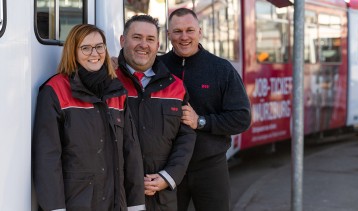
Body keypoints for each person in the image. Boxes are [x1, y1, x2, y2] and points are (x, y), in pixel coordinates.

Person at [32, 24, 145, 211]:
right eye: (85, 48)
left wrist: (136, 205)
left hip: (115, 203)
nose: (95, 53)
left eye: (99, 46)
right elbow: (47, 157)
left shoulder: (116, 91)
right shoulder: (55, 90)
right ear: (73, 51)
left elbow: (130, 152)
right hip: (76, 203)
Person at [159, 8, 251, 211]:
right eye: (177, 31)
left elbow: (242, 118)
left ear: (200, 32)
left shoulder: (221, 69)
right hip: (167, 167)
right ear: (168, 35)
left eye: (190, 30)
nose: (184, 37)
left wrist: (201, 121)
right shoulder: (157, 67)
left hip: (210, 167)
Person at [115, 15, 196, 211]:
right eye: (137, 37)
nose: (144, 44)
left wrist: (168, 177)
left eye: (150, 39)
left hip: (161, 196)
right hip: (118, 193)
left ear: (158, 44)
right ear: (122, 40)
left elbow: (185, 137)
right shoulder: (109, 82)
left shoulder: (176, 86)